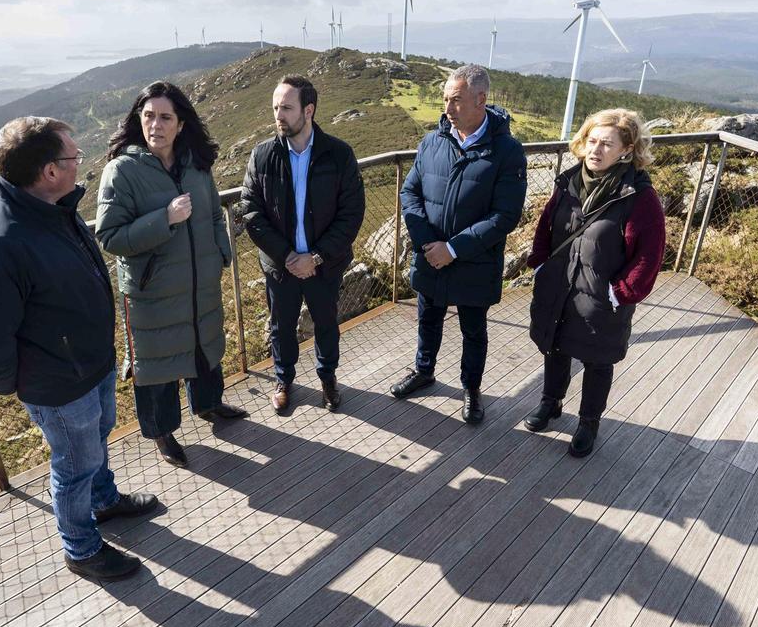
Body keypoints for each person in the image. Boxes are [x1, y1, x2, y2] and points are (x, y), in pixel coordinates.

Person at [0, 116, 155, 582]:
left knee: (97, 440)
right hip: (60, 383)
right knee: (75, 465)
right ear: (49, 171)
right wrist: (35, 382)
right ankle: (81, 549)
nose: (79, 163)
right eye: (73, 157)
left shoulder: (48, 206)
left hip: (89, 364)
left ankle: (104, 501)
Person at [96, 81, 248, 469]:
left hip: (200, 283)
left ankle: (209, 405)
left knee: (204, 347)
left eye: (165, 117)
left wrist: (221, 255)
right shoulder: (122, 171)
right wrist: (164, 218)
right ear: (138, 120)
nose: (156, 125)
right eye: (149, 116)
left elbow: (213, 215)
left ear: (180, 124)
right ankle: (161, 433)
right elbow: (110, 236)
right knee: (157, 367)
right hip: (152, 294)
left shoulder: (195, 164)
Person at [525, 108, 666, 457]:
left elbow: (649, 256)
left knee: (598, 361)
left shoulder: (639, 197)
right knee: (555, 347)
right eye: (592, 141)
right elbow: (546, 227)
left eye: (607, 144)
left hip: (602, 299)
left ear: (627, 150)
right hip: (559, 287)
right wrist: (540, 265)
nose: (596, 150)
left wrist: (619, 294)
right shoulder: (569, 182)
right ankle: (550, 403)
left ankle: (589, 423)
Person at [393, 64, 527, 423]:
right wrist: (428, 244)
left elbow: (504, 216)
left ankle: (471, 389)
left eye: (456, 100)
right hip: (430, 256)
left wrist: (452, 249)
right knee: (428, 319)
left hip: (474, 262)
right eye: (445, 100)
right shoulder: (432, 141)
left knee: (473, 330)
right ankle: (423, 371)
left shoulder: (507, 151)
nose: (447, 108)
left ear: (481, 99)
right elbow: (410, 193)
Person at [239, 75, 366, 413]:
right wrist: (287, 256)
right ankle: (283, 381)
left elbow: (352, 214)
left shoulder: (339, 155)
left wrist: (316, 257)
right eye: (275, 108)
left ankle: (328, 379)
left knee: (326, 324)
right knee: (281, 328)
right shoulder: (262, 155)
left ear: (308, 110)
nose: (278, 115)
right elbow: (251, 212)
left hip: (325, 265)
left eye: (286, 108)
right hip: (280, 266)